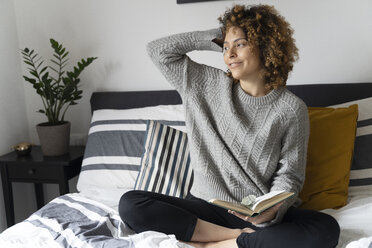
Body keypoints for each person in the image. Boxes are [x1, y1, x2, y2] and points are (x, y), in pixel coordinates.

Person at [119, 4, 340, 248]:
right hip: (204, 209)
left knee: (326, 229)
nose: (229, 54)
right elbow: (158, 50)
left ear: (266, 45)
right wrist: (221, 34)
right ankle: (231, 240)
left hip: (256, 216)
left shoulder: (291, 108)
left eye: (240, 44)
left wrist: (272, 209)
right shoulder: (203, 83)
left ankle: (220, 242)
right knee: (131, 203)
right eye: (225, 47)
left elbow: (290, 174)